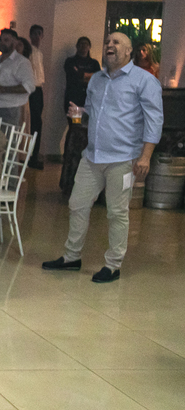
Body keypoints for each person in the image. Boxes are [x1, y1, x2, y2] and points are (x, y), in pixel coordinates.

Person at [43, 32, 163, 283]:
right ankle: (71, 257)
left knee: (117, 213)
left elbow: (154, 120)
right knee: (77, 204)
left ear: (129, 51)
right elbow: (92, 111)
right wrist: (80, 112)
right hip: (92, 156)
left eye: (116, 42)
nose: (110, 45)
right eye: (108, 42)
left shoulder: (144, 80)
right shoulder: (96, 79)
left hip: (124, 160)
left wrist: (145, 157)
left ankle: (113, 265)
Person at [61, 36, 101, 195]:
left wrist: (83, 75)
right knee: (75, 130)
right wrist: (87, 77)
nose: (84, 47)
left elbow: (97, 80)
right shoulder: (70, 61)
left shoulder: (94, 63)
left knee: (87, 132)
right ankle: (69, 162)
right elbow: (75, 77)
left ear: (89, 47)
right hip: (74, 104)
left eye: (86, 44)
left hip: (89, 104)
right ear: (77, 46)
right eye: (81, 44)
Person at [0, 28, 35, 129]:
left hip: (9, 109)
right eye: (0, 40)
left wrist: (2, 89)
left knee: (4, 138)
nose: (2, 43)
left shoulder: (21, 62)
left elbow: (29, 86)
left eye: (6, 40)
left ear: (15, 43)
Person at [28, 25, 46, 168]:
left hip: (39, 89)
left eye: (39, 34)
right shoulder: (28, 51)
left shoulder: (39, 53)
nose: (37, 37)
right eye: (34, 34)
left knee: (37, 123)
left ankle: (34, 154)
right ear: (30, 36)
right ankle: (31, 156)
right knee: (33, 123)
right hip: (31, 89)